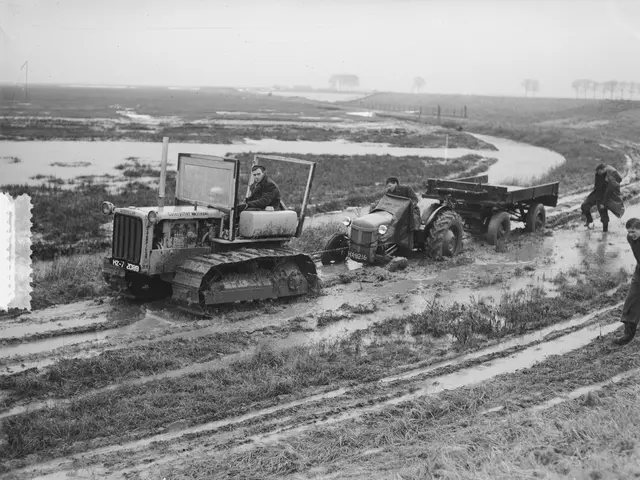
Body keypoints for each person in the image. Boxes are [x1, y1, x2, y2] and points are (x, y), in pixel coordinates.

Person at [615, 217, 640, 345]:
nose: (630, 234)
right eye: (629, 231)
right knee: (631, 300)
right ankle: (628, 335)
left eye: (633, 231)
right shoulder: (630, 238)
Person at [581, 163, 625, 232]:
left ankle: (605, 232)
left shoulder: (610, 177)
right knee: (584, 205)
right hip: (596, 193)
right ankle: (589, 221)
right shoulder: (598, 174)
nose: (598, 173)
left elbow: (610, 191)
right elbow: (597, 185)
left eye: (599, 171)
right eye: (597, 172)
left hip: (605, 196)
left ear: (604, 169)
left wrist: (604, 203)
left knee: (603, 213)